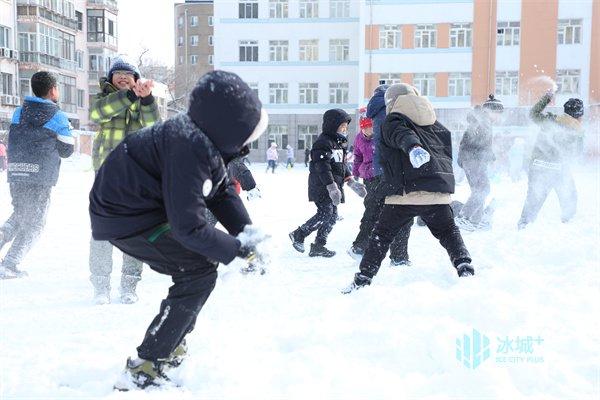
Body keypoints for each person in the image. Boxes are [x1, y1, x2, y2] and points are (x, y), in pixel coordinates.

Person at [90, 71, 269, 390]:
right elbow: (189, 227)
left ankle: (169, 340)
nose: (247, 143)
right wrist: (237, 249)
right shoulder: (189, 146)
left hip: (143, 207)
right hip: (126, 216)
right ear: (228, 126)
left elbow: (221, 192)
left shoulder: (200, 140)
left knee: (198, 269)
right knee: (198, 271)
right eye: (246, 133)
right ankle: (150, 361)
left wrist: (248, 236)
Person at [342, 83, 474, 293]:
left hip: (405, 192)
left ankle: (363, 278)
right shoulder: (436, 124)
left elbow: (400, 134)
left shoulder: (393, 120)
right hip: (437, 193)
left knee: (382, 235)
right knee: (448, 231)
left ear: (392, 102)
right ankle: (464, 265)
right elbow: (444, 154)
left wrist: (413, 148)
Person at [88, 58, 161, 305]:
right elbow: (99, 113)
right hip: (106, 176)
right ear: (110, 79)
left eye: (128, 74)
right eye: (117, 73)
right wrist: (130, 96)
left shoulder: (144, 101)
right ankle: (100, 286)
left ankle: (129, 284)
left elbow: (155, 127)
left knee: (135, 231)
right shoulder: (103, 99)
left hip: (136, 178)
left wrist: (147, 99)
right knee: (102, 231)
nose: (122, 77)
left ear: (136, 79)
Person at [0, 71, 74, 279]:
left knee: (21, 213)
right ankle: (9, 263)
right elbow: (67, 150)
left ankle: (3, 234)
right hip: (39, 177)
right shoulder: (57, 116)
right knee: (35, 222)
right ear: (52, 90)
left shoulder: (18, 112)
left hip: (16, 172)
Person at [289, 109, 366, 257]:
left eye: (345, 127)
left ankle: (318, 245)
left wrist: (352, 182)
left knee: (331, 217)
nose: (344, 130)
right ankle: (299, 234)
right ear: (332, 125)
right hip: (322, 186)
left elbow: (342, 167)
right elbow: (322, 167)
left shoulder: (339, 144)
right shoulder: (323, 143)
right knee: (325, 213)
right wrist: (331, 187)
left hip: (335, 186)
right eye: (341, 126)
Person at [348, 94, 413, 266]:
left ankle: (368, 248)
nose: (368, 130)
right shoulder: (363, 138)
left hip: (385, 174)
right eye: (366, 128)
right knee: (385, 211)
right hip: (374, 177)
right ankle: (371, 249)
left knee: (381, 212)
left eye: (370, 127)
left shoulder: (383, 128)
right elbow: (357, 157)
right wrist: (357, 172)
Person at [517, 92, 584, 229]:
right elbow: (577, 153)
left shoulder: (551, 120)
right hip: (559, 169)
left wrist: (546, 98)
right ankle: (569, 223)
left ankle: (524, 225)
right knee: (569, 196)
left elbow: (533, 113)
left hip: (538, 167)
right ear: (578, 115)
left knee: (535, 198)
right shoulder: (577, 131)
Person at [456, 95, 503, 231]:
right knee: (482, 189)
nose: (498, 117)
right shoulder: (481, 121)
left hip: (474, 159)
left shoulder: (483, 120)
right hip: (473, 159)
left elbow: (482, 144)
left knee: (479, 190)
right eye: (498, 113)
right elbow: (472, 142)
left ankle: (475, 221)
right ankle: (463, 217)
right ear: (490, 111)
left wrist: (491, 157)